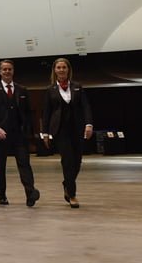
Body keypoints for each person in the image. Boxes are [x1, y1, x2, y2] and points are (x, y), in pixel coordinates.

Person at [0, 59, 40, 207]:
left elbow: (28, 112)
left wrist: (28, 130)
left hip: (19, 135)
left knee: (24, 164)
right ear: (0, 72)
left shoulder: (22, 90)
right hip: (1, 135)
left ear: (13, 71)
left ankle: (30, 193)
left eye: (9, 69)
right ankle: (2, 195)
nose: (7, 72)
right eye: (4, 69)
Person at [42, 57, 93, 208]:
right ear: (55, 70)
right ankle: (72, 195)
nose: (62, 70)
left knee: (77, 162)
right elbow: (46, 113)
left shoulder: (77, 87)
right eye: (59, 67)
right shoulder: (50, 90)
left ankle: (67, 183)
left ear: (68, 70)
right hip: (60, 130)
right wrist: (45, 133)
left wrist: (88, 124)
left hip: (77, 128)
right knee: (68, 161)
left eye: (64, 67)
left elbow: (86, 107)